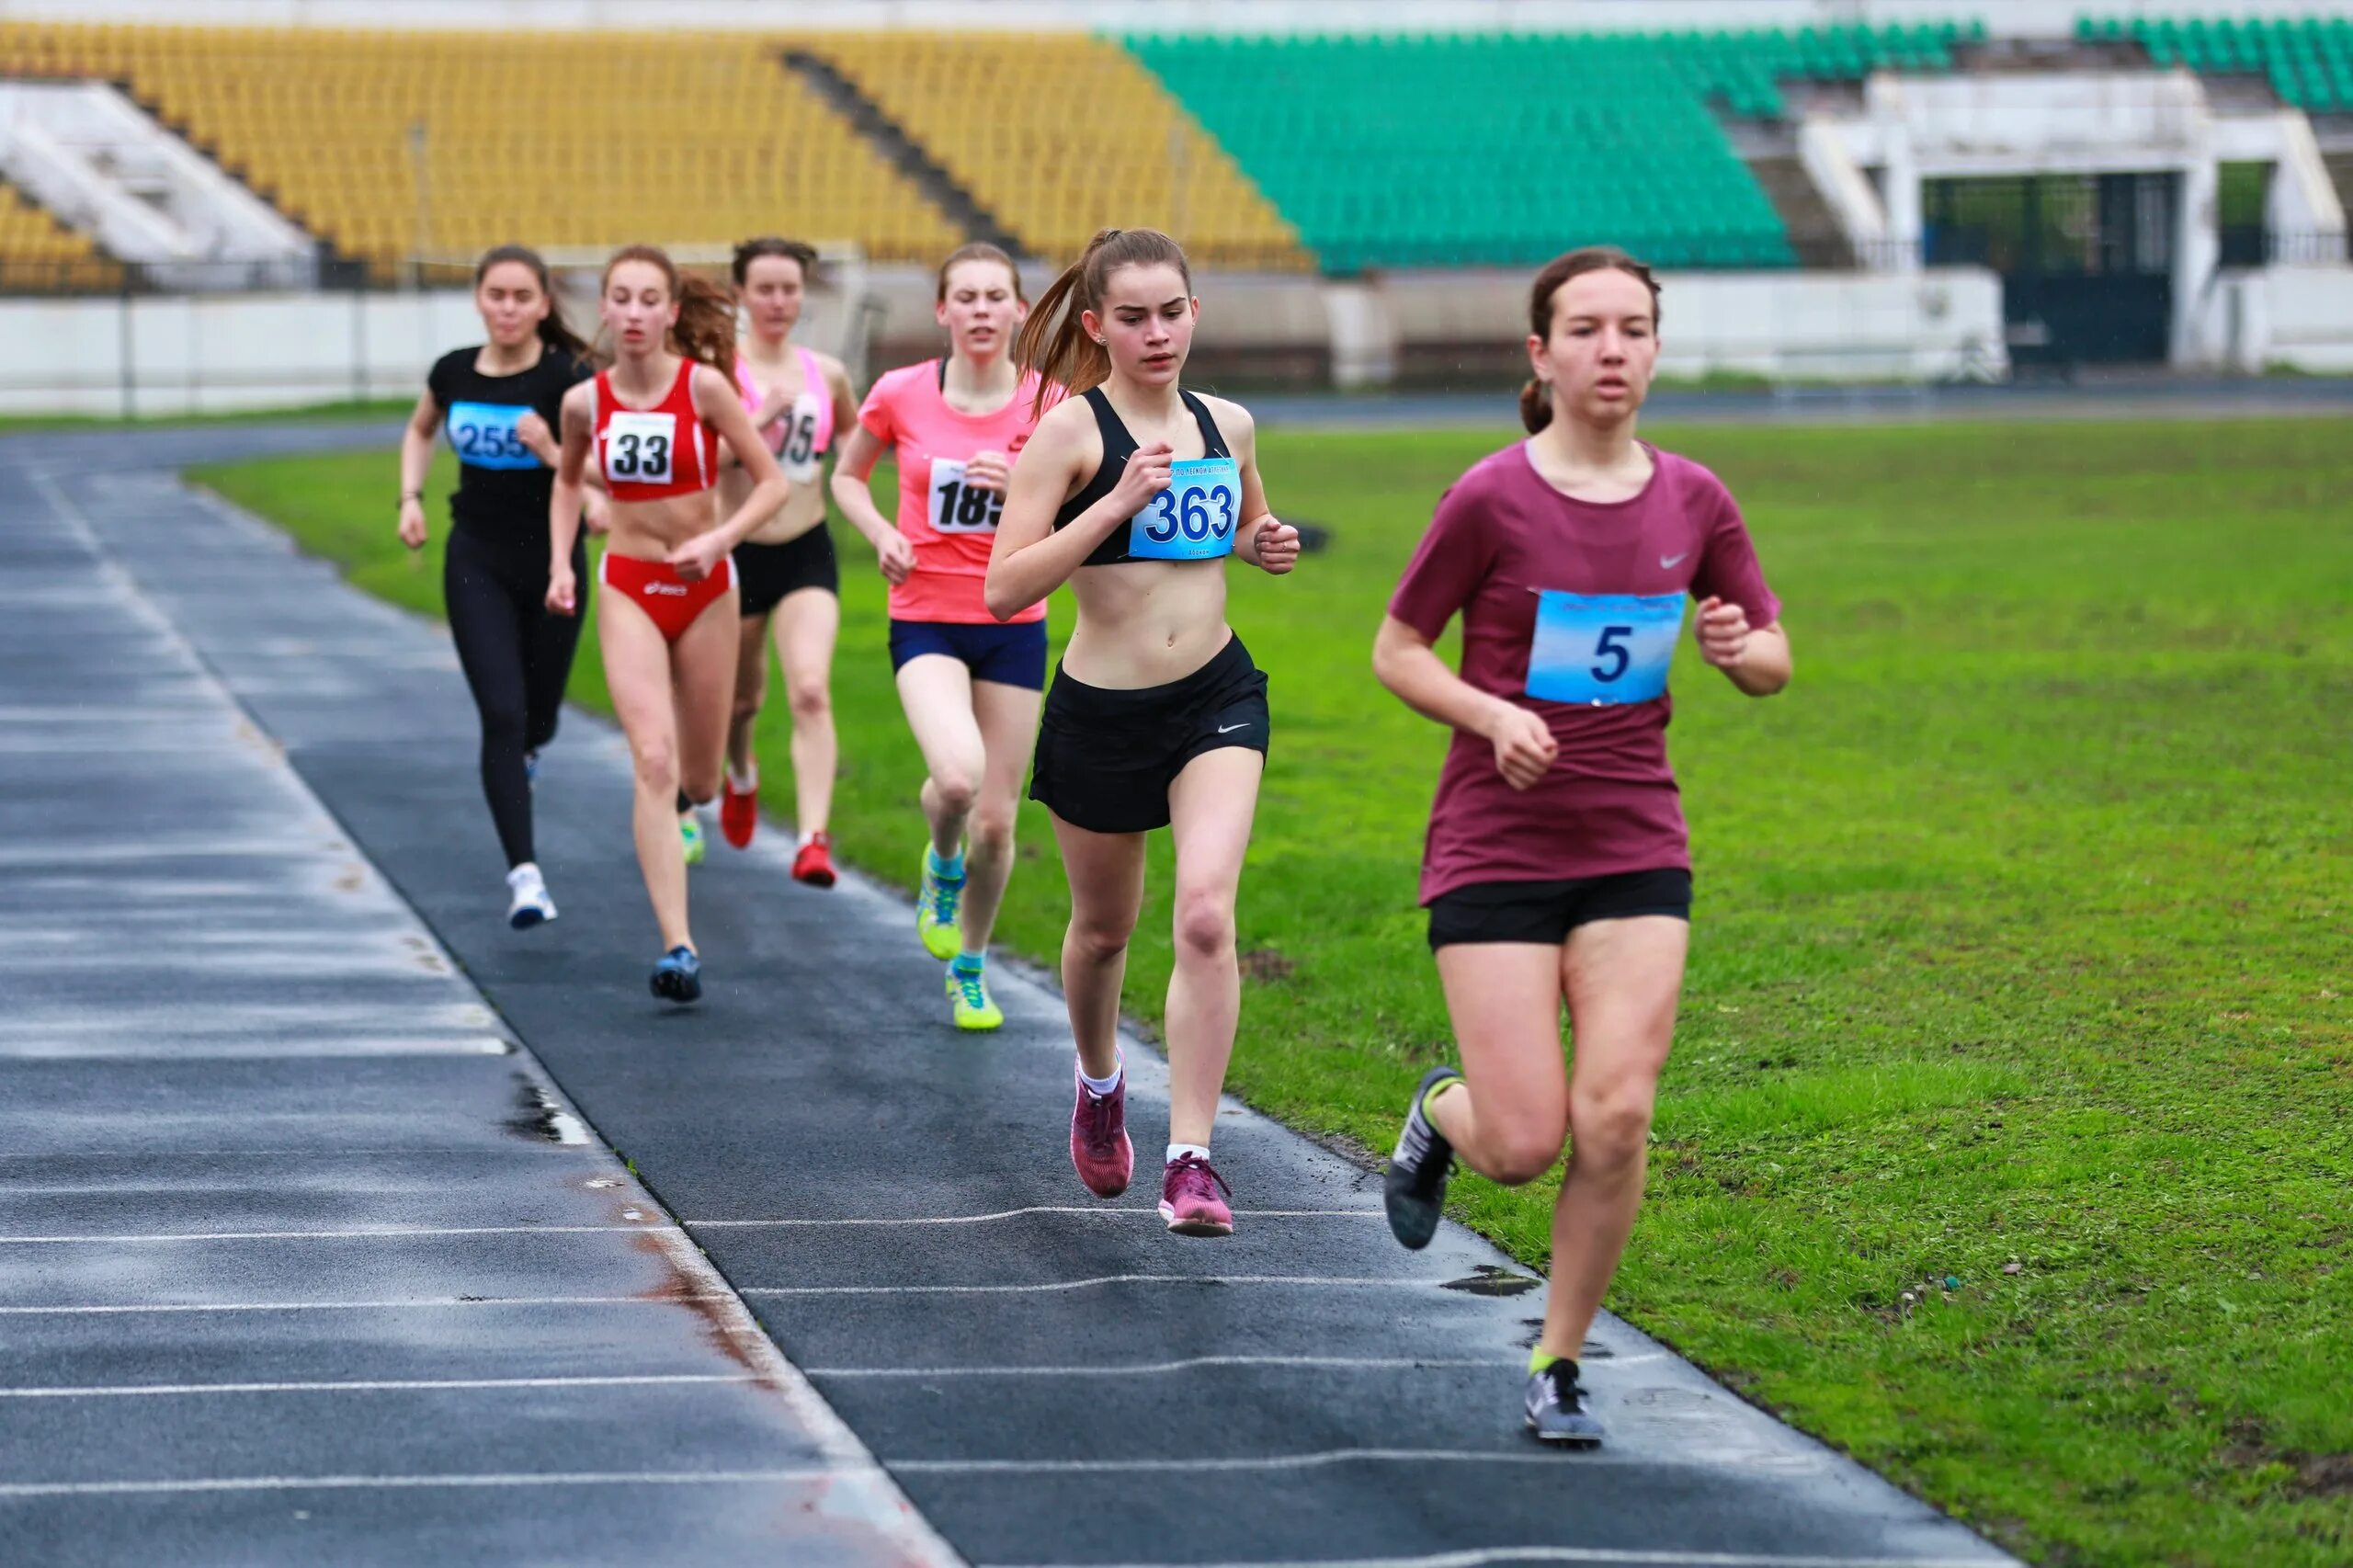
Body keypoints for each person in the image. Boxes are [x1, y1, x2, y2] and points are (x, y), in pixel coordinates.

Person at [1371, 247, 1791, 1446]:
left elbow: (1771, 655)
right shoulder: (1491, 498)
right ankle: (1437, 1117)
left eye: (1636, 329)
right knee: (1522, 1143)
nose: (1614, 350)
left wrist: (1734, 648)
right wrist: (1493, 711)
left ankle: (1558, 1360)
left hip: (1634, 841)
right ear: (1540, 352)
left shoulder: (1695, 499)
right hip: (1496, 842)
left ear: (1657, 348)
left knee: (1615, 1115)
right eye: (1589, 329)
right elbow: (1398, 649)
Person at [989, 228, 1301, 1237]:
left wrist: (1266, 542)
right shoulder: (1068, 437)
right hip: (1099, 712)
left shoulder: (1229, 424)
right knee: (1103, 932)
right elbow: (1005, 587)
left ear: (1194, 314)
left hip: (1214, 694)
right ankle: (1097, 1080)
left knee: (1207, 915)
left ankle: (1193, 1158)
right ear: (1096, 326)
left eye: (1172, 311)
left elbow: (1243, 527)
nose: (1156, 332)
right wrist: (1109, 506)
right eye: (1132, 317)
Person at [546, 244, 791, 1004]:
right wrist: (562, 564)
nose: (633, 313)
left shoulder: (706, 388)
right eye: (620, 297)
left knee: (696, 778)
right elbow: (565, 481)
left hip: (707, 588)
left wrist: (719, 538)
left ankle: (701, 794)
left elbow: (772, 483)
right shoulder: (586, 402)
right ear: (606, 310)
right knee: (651, 760)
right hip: (627, 586)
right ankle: (679, 946)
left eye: (649, 299)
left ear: (672, 313)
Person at [829, 242, 1047, 1032]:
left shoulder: (1048, 403)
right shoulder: (899, 393)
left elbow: (1087, 504)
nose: (983, 310)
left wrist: (1024, 487)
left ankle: (970, 965)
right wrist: (882, 531)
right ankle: (940, 862)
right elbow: (846, 477)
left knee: (999, 821)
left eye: (997, 296)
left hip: (1013, 621)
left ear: (1021, 310)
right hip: (924, 613)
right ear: (943, 311)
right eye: (968, 296)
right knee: (956, 783)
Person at [397, 244, 597, 931]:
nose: (507, 308)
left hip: (555, 561)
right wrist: (411, 497)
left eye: (521, 297)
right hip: (475, 556)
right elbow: (421, 428)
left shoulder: (569, 377)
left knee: (539, 717)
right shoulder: (452, 371)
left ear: (544, 304)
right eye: (496, 295)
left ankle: (531, 752)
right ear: (479, 299)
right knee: (502, 716)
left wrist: (548, 450)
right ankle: (526, 876)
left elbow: (603, 479)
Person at [716, 236, 858, 886]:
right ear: (741, 294)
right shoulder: (716, 370)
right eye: (765, 288)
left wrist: (867, 500)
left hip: (806, 547)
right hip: (736, 550)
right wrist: (752, 421)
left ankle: (812, 839)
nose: (778, 301)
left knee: (809, 688)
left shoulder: (826, 374)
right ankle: (740, 773)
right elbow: (694, 464)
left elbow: (857, 446)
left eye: (790, 288)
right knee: (741, 702)